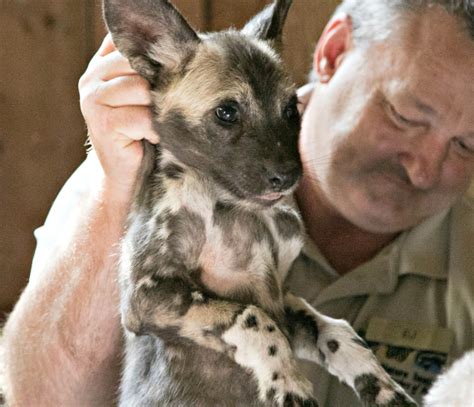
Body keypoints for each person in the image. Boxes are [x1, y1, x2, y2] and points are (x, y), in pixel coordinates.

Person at [3, 0, 474, 405]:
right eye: (405, 115)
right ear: (333, 52)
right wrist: (114, 195)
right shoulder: (145, 161)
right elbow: (39, 397)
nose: (424, 169)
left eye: (467, 144)